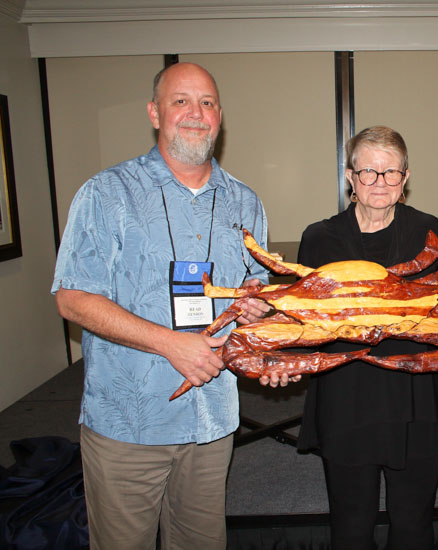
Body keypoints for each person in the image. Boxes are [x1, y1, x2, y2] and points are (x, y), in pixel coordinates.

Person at [52, 62, 279, 550]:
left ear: (220, 116)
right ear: (155, 113)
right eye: (181, 101)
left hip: (213, 419)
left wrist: (255, 306)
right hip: (129, 425)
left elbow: (253, 286)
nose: (195, 114)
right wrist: (169, 344)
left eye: (207, 103)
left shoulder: (245, 202)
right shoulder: (107, 194)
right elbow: (72, 297)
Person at [295, 126, 438, 550]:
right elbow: (306, 322)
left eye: (390, 172)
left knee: (413, 524)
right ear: (350, 177)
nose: (379, 183)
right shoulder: (318, 238)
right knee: (350, 528)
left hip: (413, 394)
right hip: (347, 397)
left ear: (405, 177)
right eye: (368, 172)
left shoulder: (428, 231)